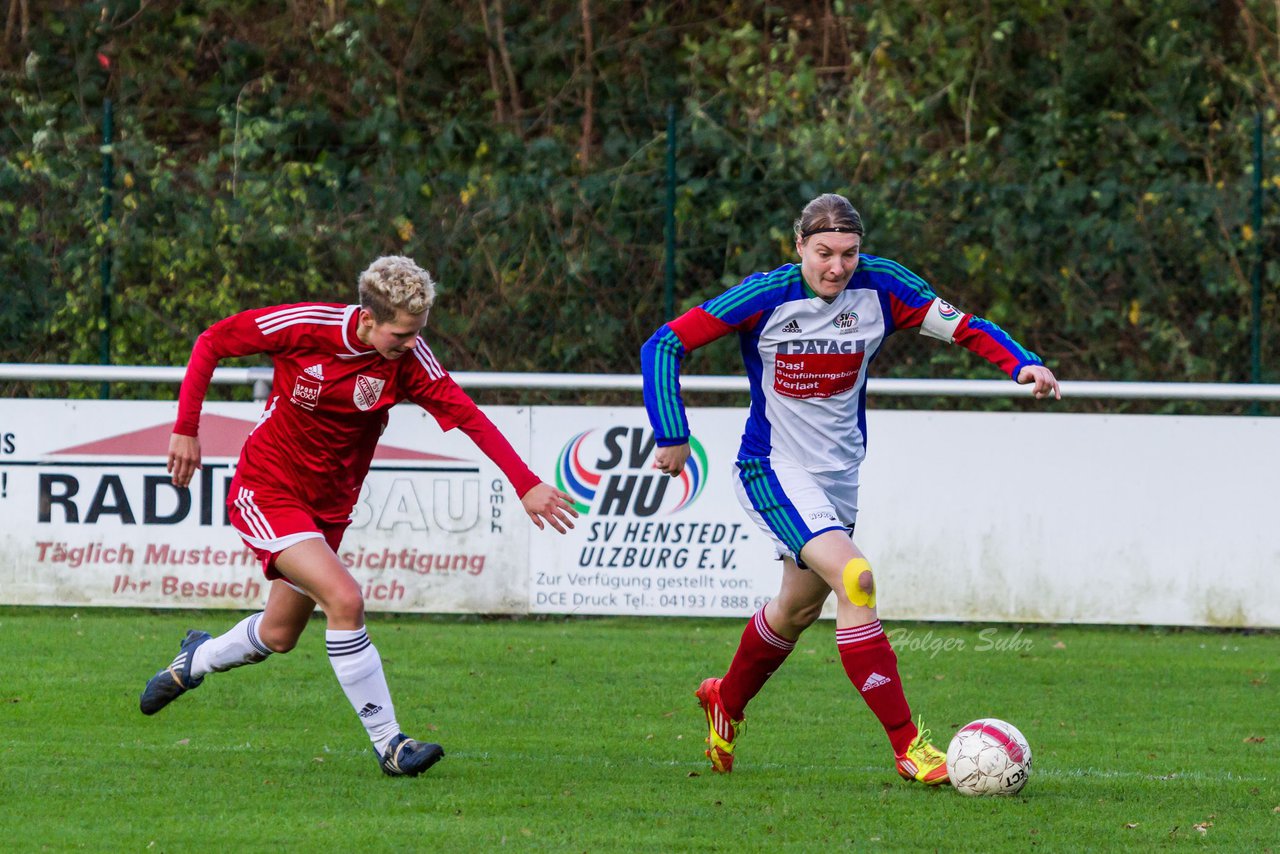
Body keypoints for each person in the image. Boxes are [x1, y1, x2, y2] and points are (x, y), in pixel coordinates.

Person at [640, 193, 1059, 784]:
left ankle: (725, 701)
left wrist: (1021, 363)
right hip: (772, 467)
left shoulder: (884, 286)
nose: (837, 267)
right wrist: (672, 431)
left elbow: (963, 326)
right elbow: (664, 344)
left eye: (849, 253)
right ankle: (910, 746)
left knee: (797, 607)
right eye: (824, 253)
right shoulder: (765, 295)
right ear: (799, 248)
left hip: (839, 476)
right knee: (856, 580)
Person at [140, 255, 578, 778]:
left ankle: (195, 660)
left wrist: (525, 482)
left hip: (330, 507)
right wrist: (186, 428)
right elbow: (213, 340)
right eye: (401, 334)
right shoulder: (306, 327)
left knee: (278, 636)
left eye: (418, 333)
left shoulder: (410, 360)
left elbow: (466, 414)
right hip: (268, 488)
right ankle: (391, 744)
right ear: (368, 318)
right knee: (345, 599)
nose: (411, 344)